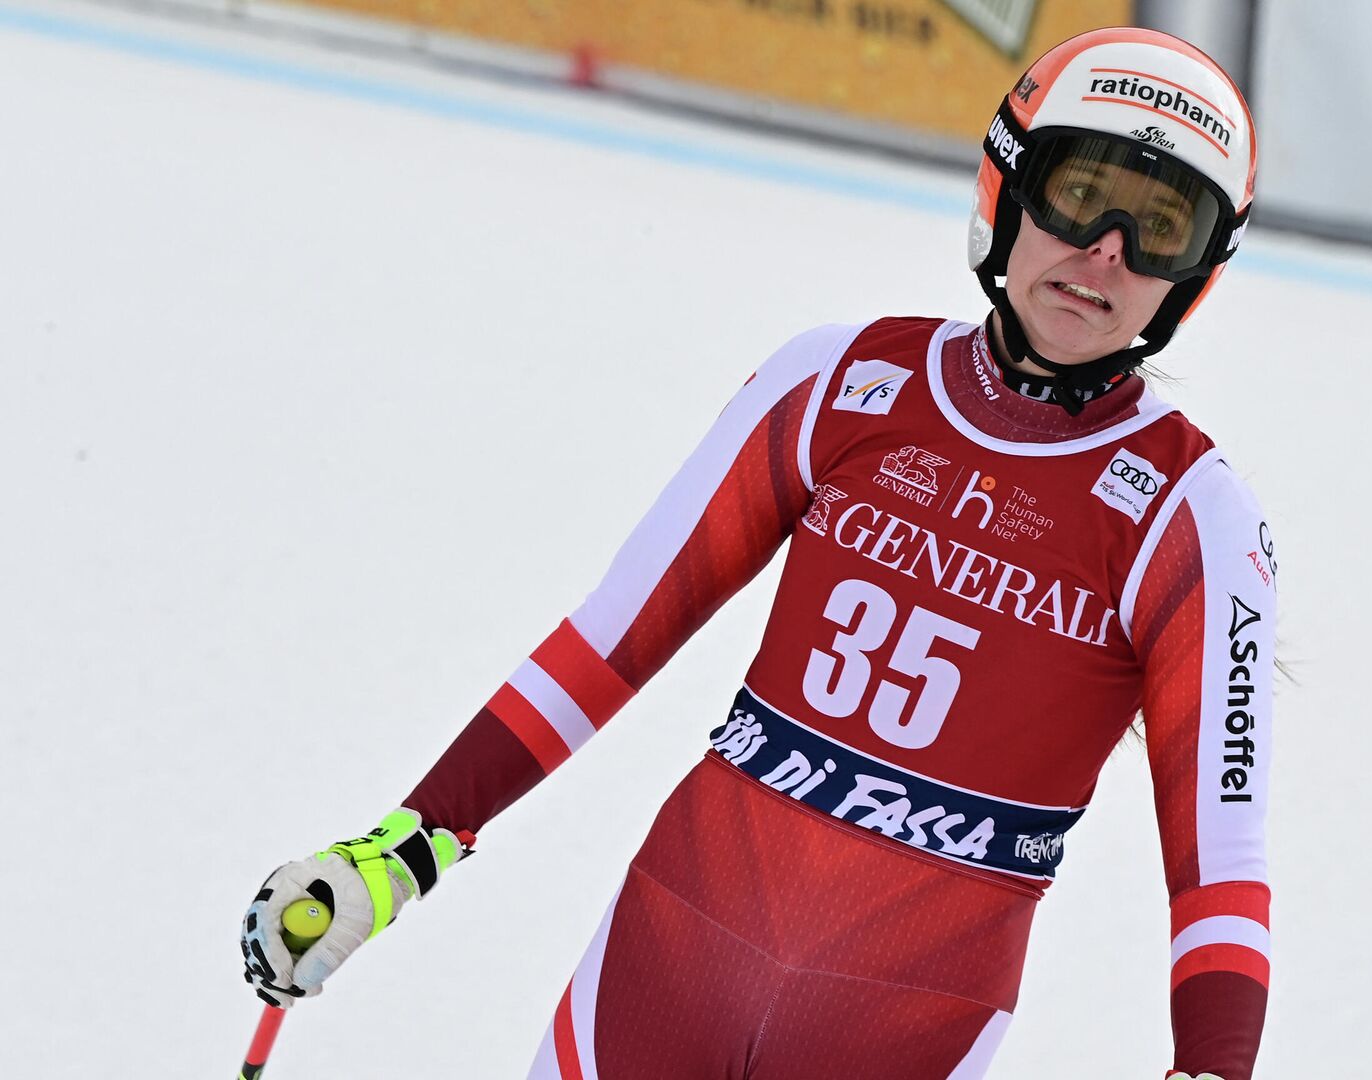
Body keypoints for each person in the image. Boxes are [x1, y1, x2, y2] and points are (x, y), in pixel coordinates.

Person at [241, 25, 1274, 1080]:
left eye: (1160, 228)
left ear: (1196, 277)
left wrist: (1215, 1067)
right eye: (1079, 192)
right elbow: (608, 642)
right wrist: (403, 851)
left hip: (907, 1031)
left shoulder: (1195, 519)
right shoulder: (838, 381)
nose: (1105, 249)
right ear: (1007, 186)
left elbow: (1221, 868)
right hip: (662, 967)